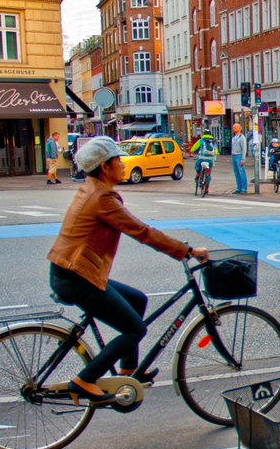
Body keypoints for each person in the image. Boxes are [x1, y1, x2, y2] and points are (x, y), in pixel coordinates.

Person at [47, 137, 207, 405]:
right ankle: (85, 379)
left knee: (137, 300)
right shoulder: (102, 197)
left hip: (73, 271)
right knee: (134, 329)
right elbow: (142, 232)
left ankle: (128, 372)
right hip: (76, 277)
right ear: (105, 166)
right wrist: (187, 251)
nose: (122, 165)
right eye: (117, 160)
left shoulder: (93, 188)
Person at [230, 123, 248, 194]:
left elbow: (244, 148)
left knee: (241, 172)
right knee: (236, 173)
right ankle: (238, 187)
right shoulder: (233, 138)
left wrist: (243, 159)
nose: (233, 128)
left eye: (235, 127)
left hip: (239, 156)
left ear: (239, 128)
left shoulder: (242, 137)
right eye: (233, 127)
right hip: (234, 156)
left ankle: (244, 188)